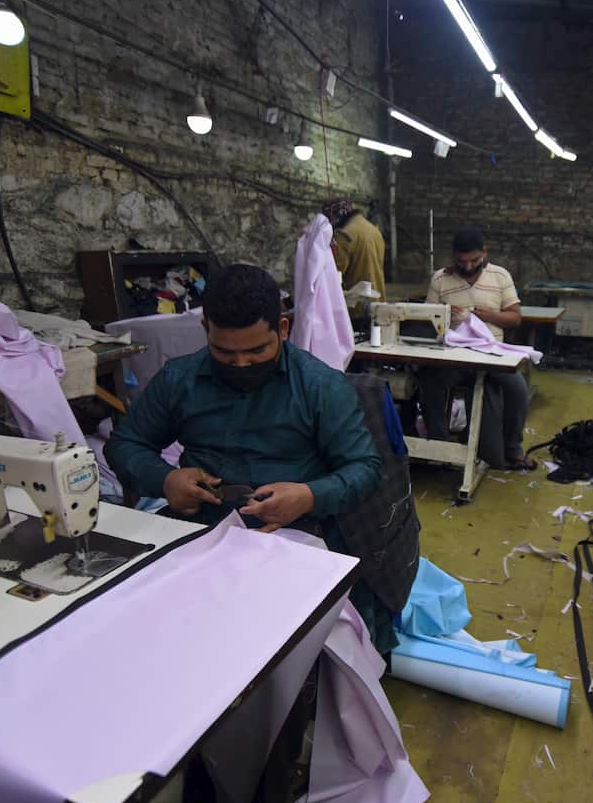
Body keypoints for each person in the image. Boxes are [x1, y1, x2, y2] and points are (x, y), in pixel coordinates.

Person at [104, 264, 391, 641]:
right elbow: (124, 444)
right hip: (203, 534)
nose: (241, 364)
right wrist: (165, 479)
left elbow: (365, 467)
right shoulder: (180, 379)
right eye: (224, 352)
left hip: (294, 535)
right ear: (205, 329)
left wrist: (308, 496)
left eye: (257, 350)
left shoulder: (320, 386)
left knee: (287, 643)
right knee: (142, 627)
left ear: (283, 330)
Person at [420, 226, 533, 470]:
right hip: (453, 356)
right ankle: (439, 446)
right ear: (452, 255)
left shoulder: (500, 276)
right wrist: (448, 316)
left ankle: (513, 448)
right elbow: (427, 318)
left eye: (474, 260)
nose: (468, 267)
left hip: (492, 354)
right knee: (429, 381)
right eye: (462, 261)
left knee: (518, 389)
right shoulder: (441, 279)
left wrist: (490, 315)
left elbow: (515, 318)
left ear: (484, 252)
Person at [324, 197, 386, 301]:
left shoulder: (344, 235)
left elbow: (334, 274)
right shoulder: (375, 231)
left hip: (357, 305)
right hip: (378, 300)